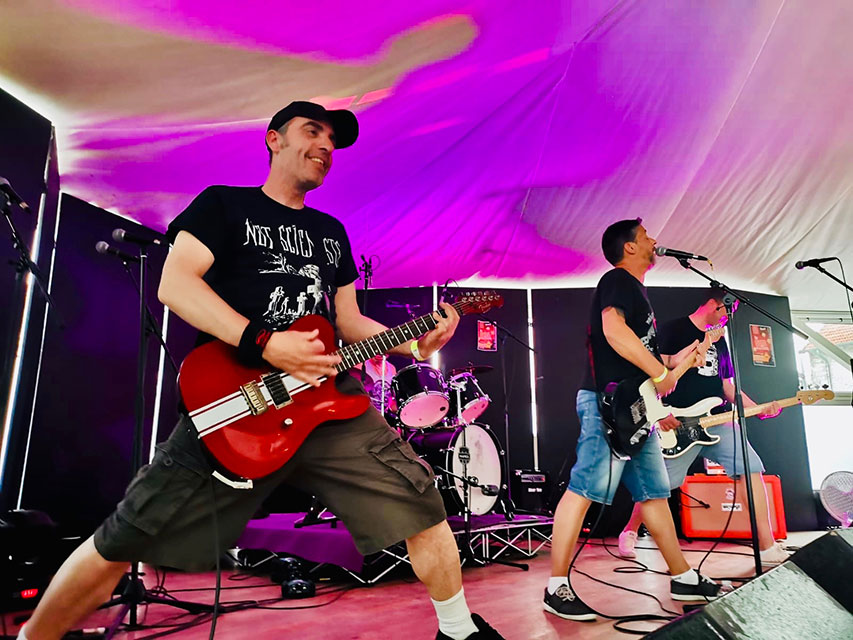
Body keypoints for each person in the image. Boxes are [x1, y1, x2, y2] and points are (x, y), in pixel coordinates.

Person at [20, 102, 503, 640]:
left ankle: (458, 632)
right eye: (312, 131)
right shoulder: (224, 206)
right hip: (237, 400)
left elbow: (346, 322)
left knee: (420, 498)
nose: (326, 146)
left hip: (328, 404)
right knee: (125, 536)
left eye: (333, 141)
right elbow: (175, 284)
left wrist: (414, 343)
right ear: (274, 139)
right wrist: (266, 342)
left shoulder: (330, 231)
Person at [543, 218, 721, 622]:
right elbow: (613, 331)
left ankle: (682, 576)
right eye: (646, 237)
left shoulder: (638, 292)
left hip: (636, 408)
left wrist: (680, 362)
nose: (654, 240)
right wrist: (660, 373)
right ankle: (555, 587)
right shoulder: (618, 280)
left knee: (654, 493)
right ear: (630, 247)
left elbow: (647, 359)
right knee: (583, 489)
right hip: (608, 403)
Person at [617, 288, 787, 565]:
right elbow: (654, 376)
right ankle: (630, 530)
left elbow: (726, 386)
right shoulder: (673, 330)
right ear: (712, 304)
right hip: (678, 425)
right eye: (726, 313)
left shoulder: (721, 342)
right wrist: (659, 413)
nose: (726, 320)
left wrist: (756, 409)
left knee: (750, 468)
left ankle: (767, 546)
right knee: (660, 485)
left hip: (716, 420)